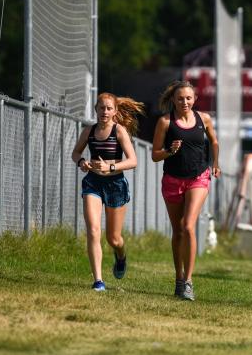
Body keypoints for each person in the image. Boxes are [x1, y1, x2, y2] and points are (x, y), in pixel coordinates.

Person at [151, 80, 220, 301]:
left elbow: (214, 142)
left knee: (188, 225)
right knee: (178, 231)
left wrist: (215, 163)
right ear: (173, 100)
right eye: (180, 98)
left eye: (189, 98)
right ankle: (179, 278)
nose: (185, 102)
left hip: (198, 177)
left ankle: (189, 281)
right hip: (172, 180)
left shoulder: (204, 119)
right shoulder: (165, 122)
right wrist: (170, 151)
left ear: (195, 99)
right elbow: (155, 155)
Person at [71, 92, 144, 292]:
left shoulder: (119, 131)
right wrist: (82, 162)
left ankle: (121, 256)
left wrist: (110, 167)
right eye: (101, 108)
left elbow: (133, 160)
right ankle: (98, 281)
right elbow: (76, 152)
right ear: (95, 109)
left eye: (109, 108)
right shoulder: (89, 131)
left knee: (114, 238)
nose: (105, 111)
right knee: (94, 230)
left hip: (115, 185)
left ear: (115, 112)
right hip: (93, 183)